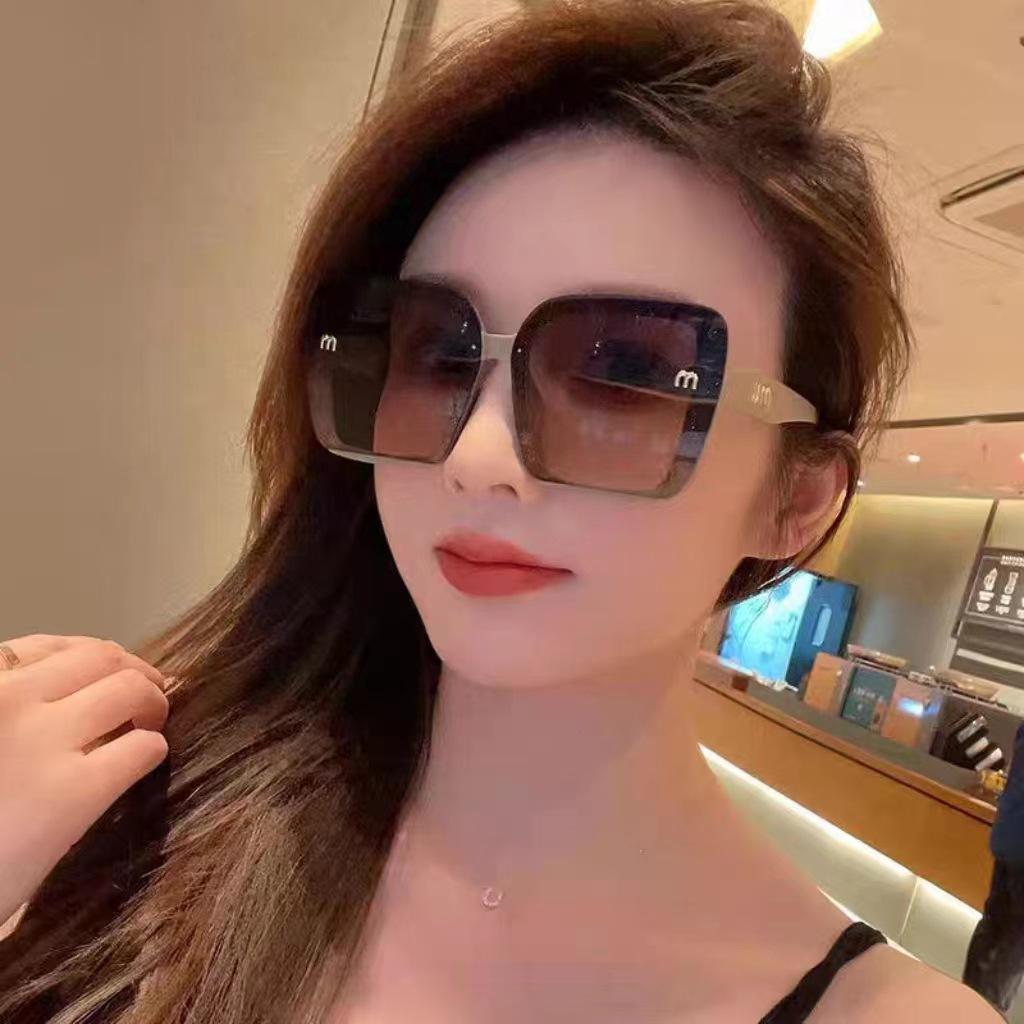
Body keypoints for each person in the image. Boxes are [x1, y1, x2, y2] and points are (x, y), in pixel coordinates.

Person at [0, 1, 1002, 1021]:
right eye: (437, 354)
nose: (476, 457)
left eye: (621, 373)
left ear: (798, 498)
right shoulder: (110, 797)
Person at [965, 721, 1024, 1013]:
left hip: (1010, 840)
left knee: (995, 933)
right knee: (1010, 944)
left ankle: (967, 1008)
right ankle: (983, 1013)